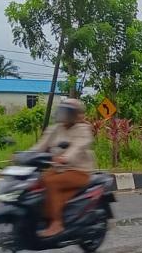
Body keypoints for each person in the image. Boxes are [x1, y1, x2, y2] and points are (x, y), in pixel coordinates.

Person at [31, 98, 95, 238]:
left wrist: (64, 158)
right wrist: (25, 155)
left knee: (51, 183)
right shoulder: (56, 128)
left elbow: (77, 147)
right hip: (59, 169)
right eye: (63, 111)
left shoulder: (83, 129)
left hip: (79, 171)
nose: (64, 115)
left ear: (75, 114)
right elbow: (41, 145)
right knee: (37, 182)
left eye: (68, 112)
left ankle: (57, 223)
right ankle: (41, 218)